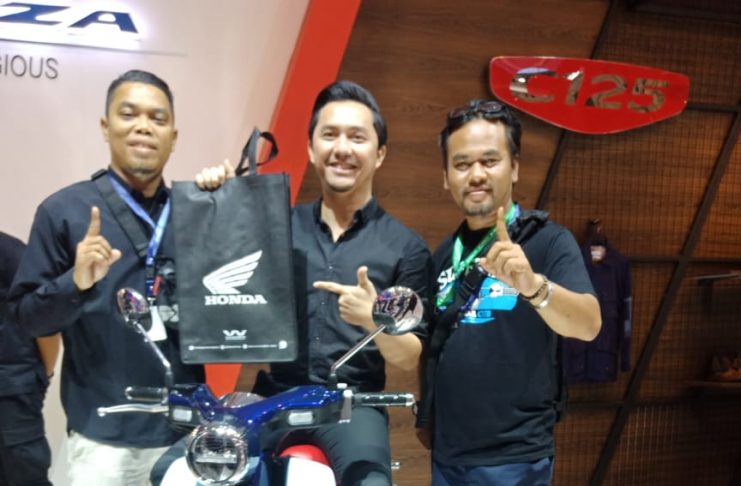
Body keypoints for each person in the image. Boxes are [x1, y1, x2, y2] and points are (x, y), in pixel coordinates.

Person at [196, 80, 433, 486]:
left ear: (380, 153)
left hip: (352, 405)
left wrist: (371, 318)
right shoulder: (275, 228)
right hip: (274, 396)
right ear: (310, 148)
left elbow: (409, 357)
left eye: (357, 137)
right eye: (329, 134)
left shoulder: (405, 247)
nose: (342, 148)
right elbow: (215, 278)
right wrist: (216, 201)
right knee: (198, 470)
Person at [8, 70, 205, 485]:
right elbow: (27, 320)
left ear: (173, 136)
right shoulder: (63, 212)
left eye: (157, 118)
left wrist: (229, 201)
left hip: (185, 433)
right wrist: (75, 282)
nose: (143, 127)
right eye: (128, 114)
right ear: (105, 126)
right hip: (102, 439)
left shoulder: (197, 213)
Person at [416, 99, 601, 485]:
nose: (476, 175)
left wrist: (533, 286)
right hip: (448, 454)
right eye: (462, 164)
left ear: (514, 167)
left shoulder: (548, 242)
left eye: (490, 160)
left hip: (515, 457)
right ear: (446, 177)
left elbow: (588, 324)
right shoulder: (443, 254)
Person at [0, 232, 60, 486]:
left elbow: (44, 322)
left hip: (12, 393)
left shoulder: (9, 252)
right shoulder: (11, 250)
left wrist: (42, 375)